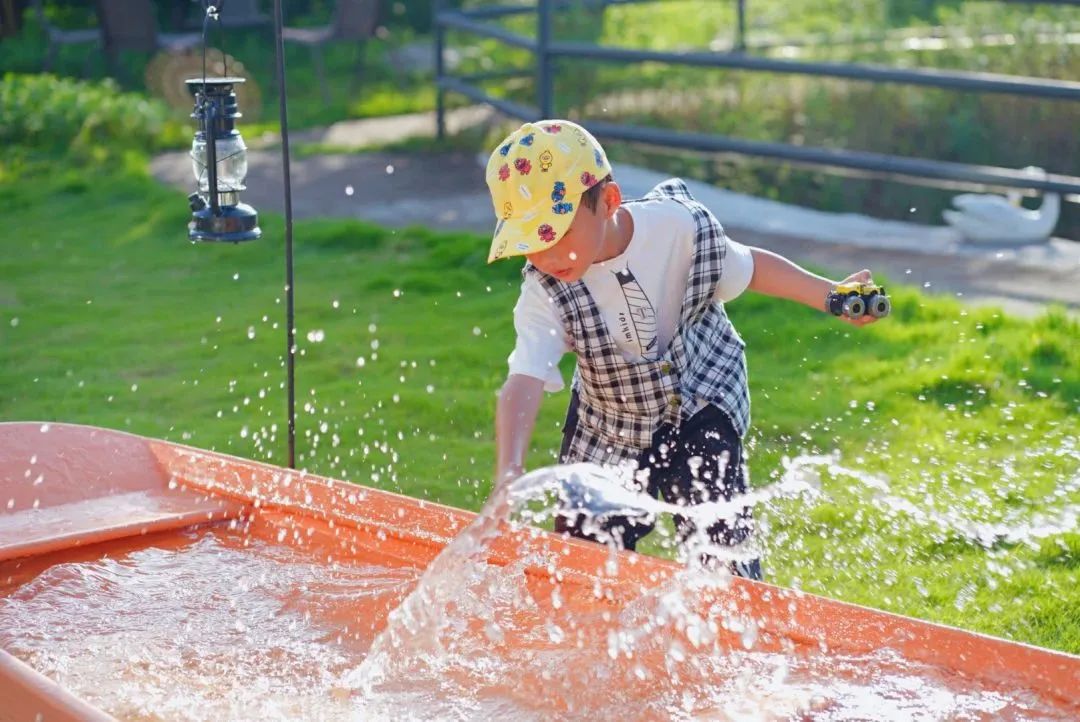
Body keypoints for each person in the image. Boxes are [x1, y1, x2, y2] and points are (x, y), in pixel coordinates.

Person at [486, 120, 882, 579]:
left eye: (556, 234)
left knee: (721, 546)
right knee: (581, 566)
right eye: (530, 242)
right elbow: (525, 376)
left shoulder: (678, 230)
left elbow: (751, 268)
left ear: (608, 202)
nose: (546, 255)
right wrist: (509, 471)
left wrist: (832, 295)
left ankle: (734, 605)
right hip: (610, 425)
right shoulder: (545, 290)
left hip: (702, 398)